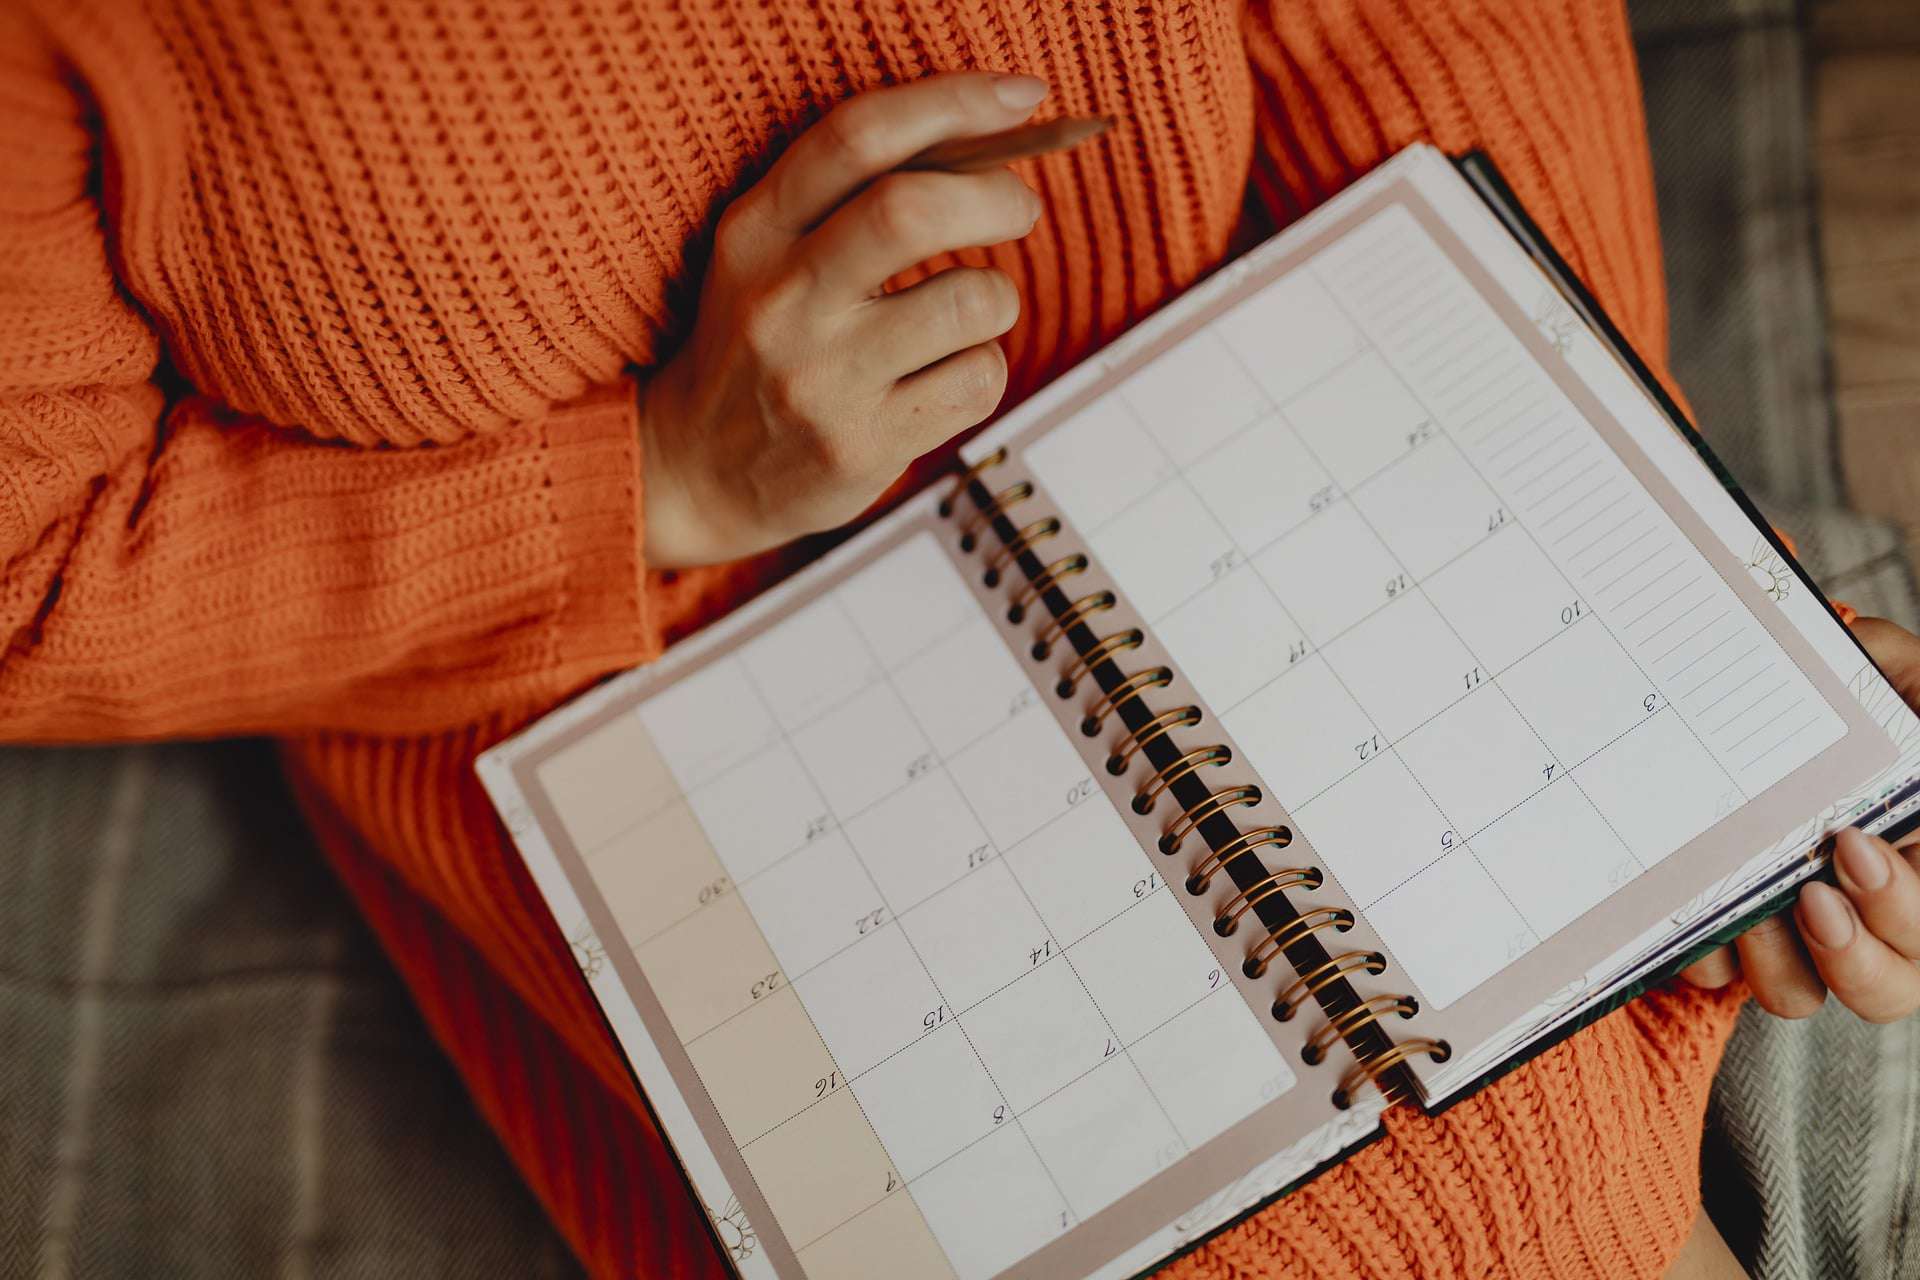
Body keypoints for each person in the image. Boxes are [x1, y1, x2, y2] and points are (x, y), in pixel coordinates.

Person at [3, 2, 1916, 1276]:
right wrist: (654, 482)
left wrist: (1624, 539)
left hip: (1281, 395)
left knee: (1520, 1195)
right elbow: (35, 562)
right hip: (610, 647)